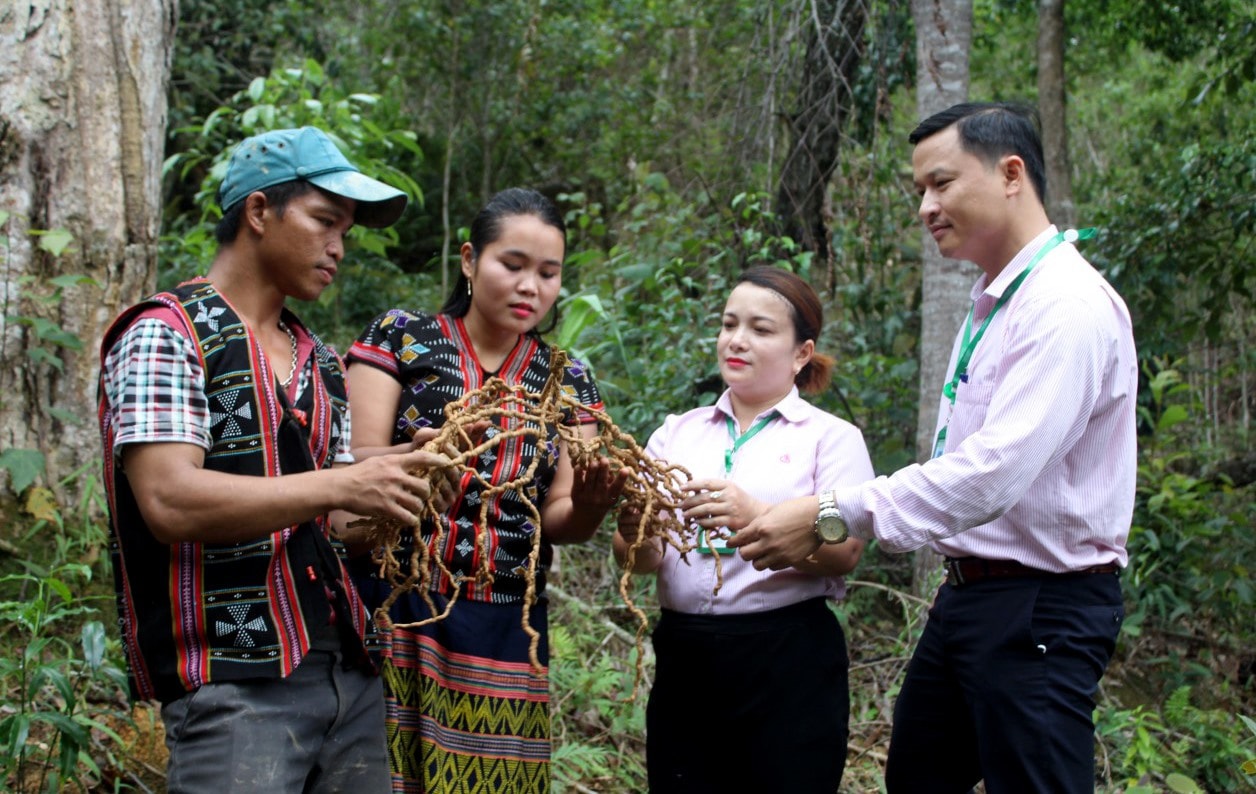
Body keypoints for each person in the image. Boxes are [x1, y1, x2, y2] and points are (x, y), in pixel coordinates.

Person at [730, 102, 1138, 792]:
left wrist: (831, 512)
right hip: (970, 597)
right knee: (918, 775)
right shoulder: (997, 301)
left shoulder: (1065, 305)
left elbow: (990, 475)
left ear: (1011, 174)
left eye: (942, 183)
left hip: (1040, 604)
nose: (926, 205)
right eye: (919, 189)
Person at [97, 126, 449, 792]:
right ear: (259, 213)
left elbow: (336, 521)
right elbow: (169, 500)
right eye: (324, 222)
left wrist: (401, 477)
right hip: (235, 684)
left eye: (346, 230)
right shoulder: (165, 333)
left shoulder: (319, 361)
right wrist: (346, 481)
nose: (338, 247)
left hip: (348, 672)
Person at [343, 187, 626, 793]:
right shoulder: (402, 338)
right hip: (392, 607)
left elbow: (560, 518)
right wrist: (421, 464)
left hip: (506, 626)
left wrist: (596, 506)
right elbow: (351, 467)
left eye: (548, 274)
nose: (531, 287)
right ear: (470, 260)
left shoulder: (567, 378)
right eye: (513, 265)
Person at [612, 266, 875, 793]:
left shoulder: (831, 439)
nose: (737, 340)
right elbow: (638, 560)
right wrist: (633, 525)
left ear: (801, 352)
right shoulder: (676, 433)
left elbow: (845, 551)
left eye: (761, 328)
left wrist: (755, 515)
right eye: (729, 324)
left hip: (788, 656)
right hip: (686, 656)